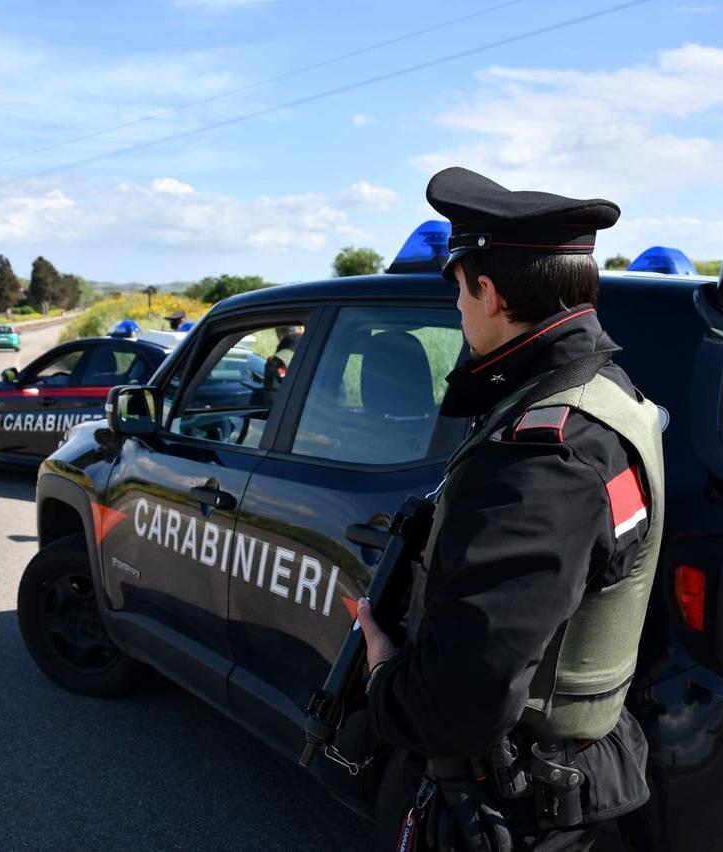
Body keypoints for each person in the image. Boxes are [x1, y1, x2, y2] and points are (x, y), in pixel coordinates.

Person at [356, 167, 665, 852]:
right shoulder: (605, 395)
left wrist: (382, 674)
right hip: (555, 784)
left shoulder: (542, 454)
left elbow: (458, 702)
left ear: (489, 292)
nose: (459, 312)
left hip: (506, 805)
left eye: (460, 292)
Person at [261, 324, 304, 398]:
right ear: (302, 328)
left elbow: (271, 399)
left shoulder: (277, 361)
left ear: (279, 334)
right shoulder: (322, 351)